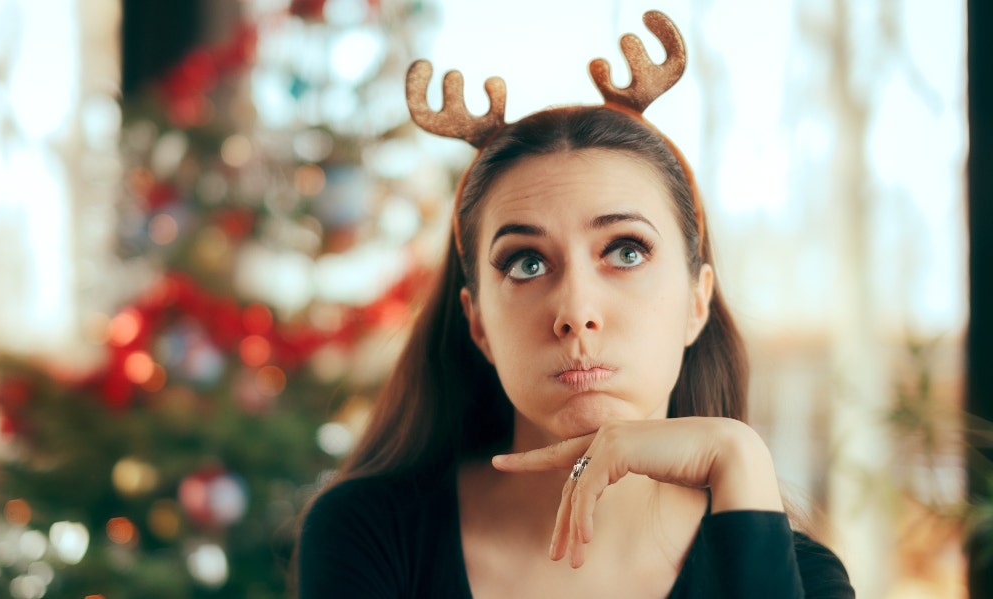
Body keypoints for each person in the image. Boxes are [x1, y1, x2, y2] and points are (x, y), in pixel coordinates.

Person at [296, 11, 854, 598]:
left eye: (626, 252)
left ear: (697, 302)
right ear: (478, 322)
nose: (576, 311)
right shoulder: (369, 535)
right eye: (526, 263)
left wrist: (738, 455)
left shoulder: (800, 579)